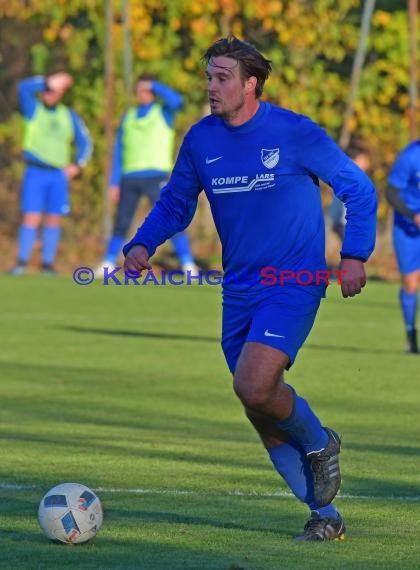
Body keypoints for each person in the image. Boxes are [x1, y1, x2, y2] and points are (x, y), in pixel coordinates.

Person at [123, 36, 377, 541]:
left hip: (294, 280)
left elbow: (358, 188)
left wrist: (354, 254)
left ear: (250, 83)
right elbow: (176, 202)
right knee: (259, 409)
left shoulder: (294, 132)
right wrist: (142, 243)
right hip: (238, 288)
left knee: (255, 384)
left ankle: (321, 443)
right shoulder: (201, 139)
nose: (212, 88)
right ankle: (324, 516)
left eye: (222, 78)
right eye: (209, 77)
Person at [97, 74, 198, 275]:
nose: (142, 93)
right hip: (130, 177)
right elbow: (119, 149)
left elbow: (178, 101)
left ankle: (188, 264)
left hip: (156, 176)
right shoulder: (129, 116)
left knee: (171, 216)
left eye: (146, 89)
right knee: (122, 221)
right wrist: (114, 181)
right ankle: (108, 263)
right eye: (139, 89)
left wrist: (155, 85)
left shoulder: (163, 112)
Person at [11, 73, 92, 275]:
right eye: (47, 90)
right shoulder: (34, 109)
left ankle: (47, 264)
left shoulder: (68, 115)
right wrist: (47, 81)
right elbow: (23, 87)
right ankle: (22, 262)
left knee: (54, 218)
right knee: (31, 216)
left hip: (57, 174)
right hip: (35, 171)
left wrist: (77, 165)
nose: (49, 94)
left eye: (54, 91)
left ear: (61, 94)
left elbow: (85, 142)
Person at [386, 140, 420, 354]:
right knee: (410, 283)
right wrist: (412, 215)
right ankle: (410, 333)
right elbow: (391, 192)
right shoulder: (410, 155)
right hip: (407, 228)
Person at [329, 138, 371, 243]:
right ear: (353, 161)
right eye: (363, 159)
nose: (367, 164)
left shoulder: (349, 178)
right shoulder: (352, 180)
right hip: (348, 225)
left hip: (346, 224)